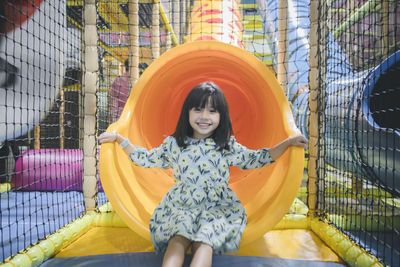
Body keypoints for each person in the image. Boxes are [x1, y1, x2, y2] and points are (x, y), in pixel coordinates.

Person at [98, 81, 308, 267]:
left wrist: (287, 143)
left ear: (221, 116)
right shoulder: (175, 144)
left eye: (212, 111)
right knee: (177, 239)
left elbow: (256, 158)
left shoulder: (225, 146)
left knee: (206, 241)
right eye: (198, 110)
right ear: (187, 113)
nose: (204, 117)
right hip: (182, 204)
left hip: (217, 206)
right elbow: (146, 158)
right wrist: (120, 140)